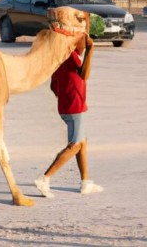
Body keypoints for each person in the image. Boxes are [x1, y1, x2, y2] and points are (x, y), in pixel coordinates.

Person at [34, 44, 103, 198]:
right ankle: (45, 178)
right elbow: (85, 74)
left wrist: (63, 95)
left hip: (65, 107)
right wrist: (91, 49)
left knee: (82, 142)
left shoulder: (59, 59)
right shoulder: (72, 56)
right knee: (75, 144)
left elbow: (53, 86)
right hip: (75, 106)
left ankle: (85, 182)